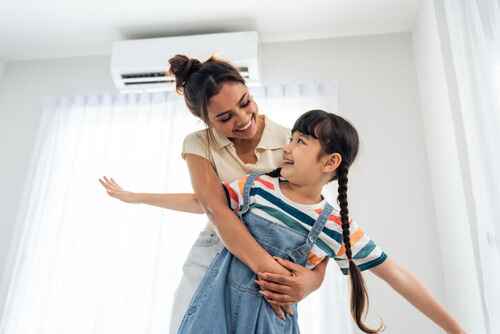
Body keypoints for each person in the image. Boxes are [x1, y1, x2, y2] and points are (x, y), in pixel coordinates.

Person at [154, 109, 465, 334]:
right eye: (291, 138)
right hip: (215, 311)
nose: (287, 148)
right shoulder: (256, 188)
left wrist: (455, 330)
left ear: (330, 162)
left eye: (301, 142)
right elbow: (204, 202)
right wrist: (137, 197)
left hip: (270, 324)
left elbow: (395, 274)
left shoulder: (333, 225)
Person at [99, 54, 330, 333]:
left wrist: (312, 280)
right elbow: (213, 207)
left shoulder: (288, 141)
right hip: (218, 252)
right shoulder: (199, 144)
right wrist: (272, 271)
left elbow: (314, 211)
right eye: (225, 117)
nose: (244, 119)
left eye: (245, 102)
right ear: (206, 121)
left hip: (274, 260)